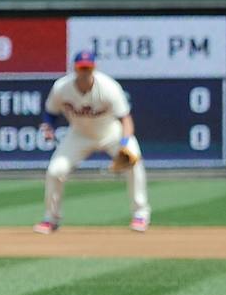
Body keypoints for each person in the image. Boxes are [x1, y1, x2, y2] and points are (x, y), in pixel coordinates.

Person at [36, 50, 150, 233]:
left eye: (88, 67)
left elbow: (126, 120)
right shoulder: (61, 87)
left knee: (133, 162)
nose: (85, 71)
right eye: (82, 67)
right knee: (55, 171)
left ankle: (140, 215)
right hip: (79, 135)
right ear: (75, 68)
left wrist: (124, 145)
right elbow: (51, 112)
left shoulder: (108, 87)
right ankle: (51, 218)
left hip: (111, 132)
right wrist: (48, 126)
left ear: (94, 68)